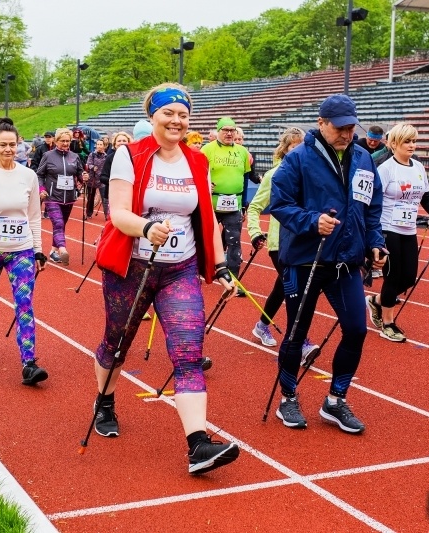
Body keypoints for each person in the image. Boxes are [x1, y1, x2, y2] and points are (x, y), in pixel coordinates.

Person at [92, 82, 240, 474]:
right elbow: (119, 213)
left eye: (183, 115)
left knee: (189, 355)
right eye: (168, 114)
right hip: (133, 268)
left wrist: (222, 265)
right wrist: (145, 227)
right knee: (116, 342)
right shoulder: (130, 156)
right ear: (152, 117)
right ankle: (105, 401)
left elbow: (207, 220)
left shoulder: (198, 160)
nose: (176, 121)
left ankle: (198, 446)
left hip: (181, 270)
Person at [269, 93, 387, 433]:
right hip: (305, 262)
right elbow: (279, 204)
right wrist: (311, 221)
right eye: (340, 128)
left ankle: (336, 400)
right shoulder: (298, 159)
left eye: (351, 127)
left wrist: (375, 242)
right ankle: (288, 397)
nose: (347, 134)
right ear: (321, 124)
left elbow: (372, 208)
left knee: (356, 330)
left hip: (347, 262)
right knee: (296, 332)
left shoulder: (364, 158)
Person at [0, 120, 48, 385]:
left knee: (24, 305)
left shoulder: (28, 176)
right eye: (3, 145)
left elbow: (34, 216)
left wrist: (38, 250)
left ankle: (29, 362)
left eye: (13, 145)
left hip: (21, 250)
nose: (8, 149)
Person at [364, 123, 429, 343]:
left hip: (409, 229)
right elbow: (371, 202)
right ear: (394, 144)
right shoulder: (385, 169)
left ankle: (376, 300)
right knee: (392, 278)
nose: (412, 145)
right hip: (387, 229)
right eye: (407, 141)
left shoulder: (418, 168)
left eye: (414, 141)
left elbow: (425, 198)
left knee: (409, 277)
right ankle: (388, 324)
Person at [246, 127, 320, 361]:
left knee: (282, 289)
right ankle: (300, 344)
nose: (299, 149)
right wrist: (256, 233)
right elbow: (256, 207)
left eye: (302, 145)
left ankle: (260, 326)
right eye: (294, 145)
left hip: (304, 243)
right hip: (280, 245)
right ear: (285, 149)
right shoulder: (274, 174)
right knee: (295, 292)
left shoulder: (311, 174)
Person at [201, 117, 252, 293]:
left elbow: (245, 178)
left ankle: (234, 281)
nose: (229, 133)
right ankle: (198, 274)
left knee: (234, 242)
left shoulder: (243, 152)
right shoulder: (206, 150)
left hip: (234, 205)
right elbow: (197, 174)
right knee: (204, 240)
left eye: (232, 130)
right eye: (225, 130)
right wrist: (204, 184)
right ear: (218, 131)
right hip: (211, 205)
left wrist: (244, 204)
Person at [36, 128, 87, 265]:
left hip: (69, 197)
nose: (65, 143)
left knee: (61, 225)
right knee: (58, 223)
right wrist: (41, 189)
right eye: (62, 141)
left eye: (67, 141)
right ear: (56, 141)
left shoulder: (74, 157)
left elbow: (80, 175)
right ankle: (63, 250)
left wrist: (84, 177)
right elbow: (39, 174)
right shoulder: (48, 156)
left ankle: (53, 251)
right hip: (52, 196)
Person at [99, 131, 132, 222]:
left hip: (129, 195)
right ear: (115, 144)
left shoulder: (134, 157)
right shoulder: (110, 158)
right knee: (111, 222)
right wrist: (116, 181)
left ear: (129, 142)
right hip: (111, 195)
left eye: (124, 140)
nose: (121, 142)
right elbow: (102, 177)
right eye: (119, 141)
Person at [85, 139, 108, 218]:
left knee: (105, 199)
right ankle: (88, 213)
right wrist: (92, 167)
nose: (99, 146)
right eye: (98, 144)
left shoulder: (106, 156)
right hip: (92, 179)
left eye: (101, 144)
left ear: (104, 146)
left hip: (102, 180)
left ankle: (106, 215)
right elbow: (88, 164)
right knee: (91, 198)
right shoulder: (92, 155)